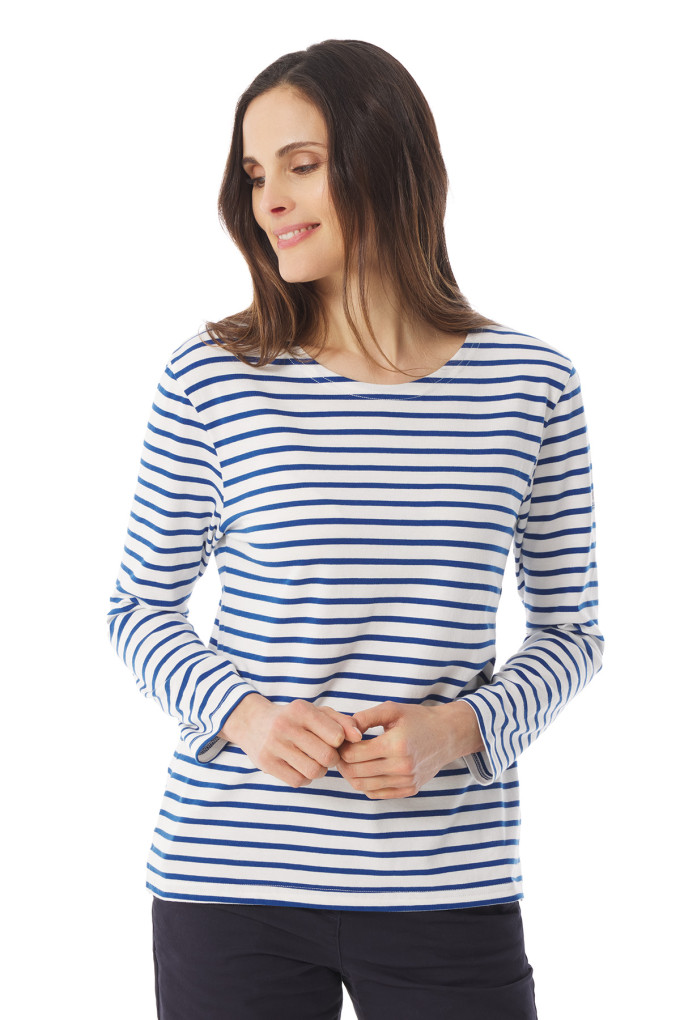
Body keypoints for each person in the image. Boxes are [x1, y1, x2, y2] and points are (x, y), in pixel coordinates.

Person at [106, 38, 604, 1020]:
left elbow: (571, 633)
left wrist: (457, 730)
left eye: (301, 164)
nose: (270, 201)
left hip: (444, 888)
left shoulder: (531, 384)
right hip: (229, 879)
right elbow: (137, 610)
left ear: (388, 160)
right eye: (256, 175)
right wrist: (247, 717)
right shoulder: (211, 377)